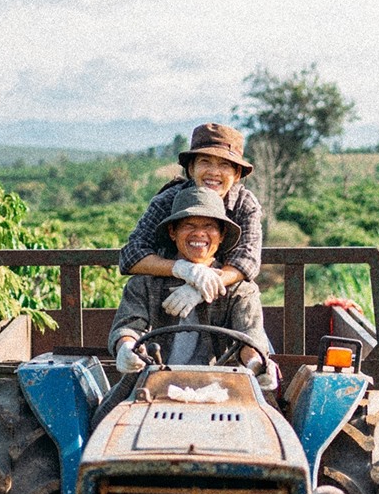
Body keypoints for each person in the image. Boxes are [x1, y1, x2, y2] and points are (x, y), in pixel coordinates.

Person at [109, 184, 274, 382]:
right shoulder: (143, 284)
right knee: (107, 411)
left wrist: (255, 364)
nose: (199, 233)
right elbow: (128, 328)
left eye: (209, 227)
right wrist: (126, 348)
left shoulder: (240, 289)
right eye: (189, 225)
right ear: (173, 232)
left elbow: (250, 336)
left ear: (221, 236)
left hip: (220, 385)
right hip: (153, 383)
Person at [118, 123, 262, 316]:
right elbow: (131, 255)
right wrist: (184, 270)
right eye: (205, 162)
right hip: (168, 301)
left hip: (228, 304)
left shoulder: (244, 204)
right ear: (191, 168)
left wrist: (202, 285)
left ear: (236, 174)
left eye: (224, 164)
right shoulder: (168, 200)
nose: (214, 172)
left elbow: (248, 261)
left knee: (259, 344)